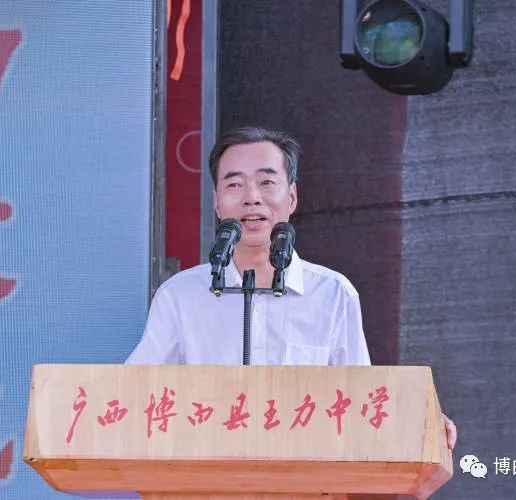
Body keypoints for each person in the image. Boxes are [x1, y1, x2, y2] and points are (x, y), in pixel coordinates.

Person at [126, 126, 456, 448]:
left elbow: (360, 399)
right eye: (235, 184)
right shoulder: (180, 296)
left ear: (292, 196)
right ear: (216, 202)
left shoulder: (332, 294)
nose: (252, 197)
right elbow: (133, 395)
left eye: (267, 182)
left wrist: (414, 421)